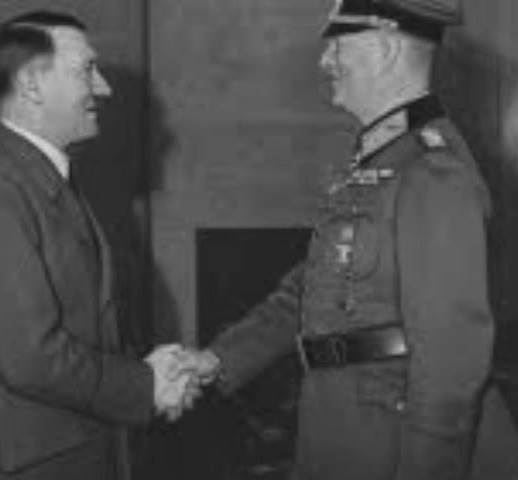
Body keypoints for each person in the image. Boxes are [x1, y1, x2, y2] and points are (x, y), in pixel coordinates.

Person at [186, 0, 498, 478]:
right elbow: (309, 291)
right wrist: (217, 359)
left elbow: (451, 359)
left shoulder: (433, 170)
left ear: (387, 51)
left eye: (337, 46)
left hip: (392, 439)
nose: (324, 61)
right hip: (341, 424)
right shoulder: (378, 163)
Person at [0, 10, 197, 480]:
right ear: (32, 85)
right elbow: (31, 356)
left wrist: (149, 372)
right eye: (86, 70)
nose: (103, 88)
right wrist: (143, 385)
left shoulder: (35, 179)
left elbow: (86, 325)